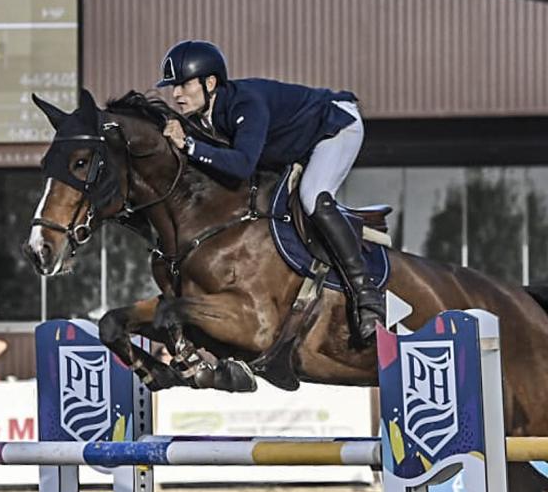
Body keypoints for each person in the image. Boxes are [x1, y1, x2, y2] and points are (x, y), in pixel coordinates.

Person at [156, 39, 385, 344]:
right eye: (174, 87)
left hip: (335, 127)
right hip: (294, 145)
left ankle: (366, 295)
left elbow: (241, 166)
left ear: (210, 82)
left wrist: (189, 145)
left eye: (184, 85)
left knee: (312, 195)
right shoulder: (204, 115)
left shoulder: (245, 104)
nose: (176, 94)